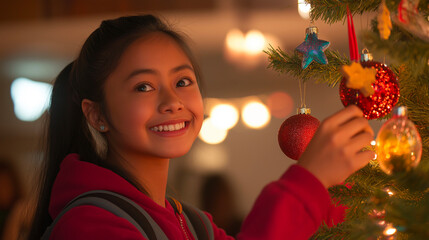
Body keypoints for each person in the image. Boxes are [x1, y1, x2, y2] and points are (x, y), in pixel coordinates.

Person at [28, 14, 375, 240]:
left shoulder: (192, 224)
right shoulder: (89, 226)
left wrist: (347, 192)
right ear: (96, 115)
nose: (172, 102)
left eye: (182, 82)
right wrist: (308, 181)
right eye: (144, 87)